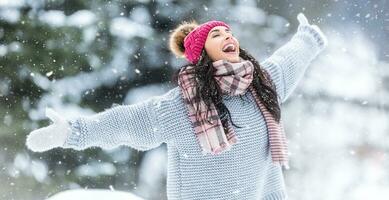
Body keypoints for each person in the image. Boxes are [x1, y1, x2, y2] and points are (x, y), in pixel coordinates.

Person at [26, 13, 328, 200]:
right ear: (202, 53)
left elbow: (289, 59)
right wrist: (73, 133)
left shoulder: (261, 83)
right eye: (217, 35)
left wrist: (308, 37)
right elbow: (127, 122)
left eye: (229, 33)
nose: (228, 37)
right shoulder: (184, 105)